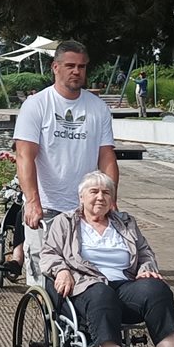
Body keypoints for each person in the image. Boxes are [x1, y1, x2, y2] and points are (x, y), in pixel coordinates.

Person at [39, 171, 174, 347]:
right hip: (84, 286)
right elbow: (49, 254)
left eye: (106, 192)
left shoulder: (125, 222)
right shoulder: (65, 222)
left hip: (124, 284)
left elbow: (144, 253)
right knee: (102, 294)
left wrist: (146, 269)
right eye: (94, 192)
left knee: (158, 290)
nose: (100, 197)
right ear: (81, 197)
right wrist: (62, 270)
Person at [12, 41, 119, 269]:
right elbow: (24, 156)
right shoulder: (36, 105)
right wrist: (32, 201)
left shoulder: (98, 108)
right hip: (47, 205)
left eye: (82, 66)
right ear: (55, 67)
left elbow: (107, 157)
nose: (76, 71)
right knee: (44, 273)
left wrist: (111, 198)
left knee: (85, 271)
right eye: (70, 66)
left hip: (86, 207)